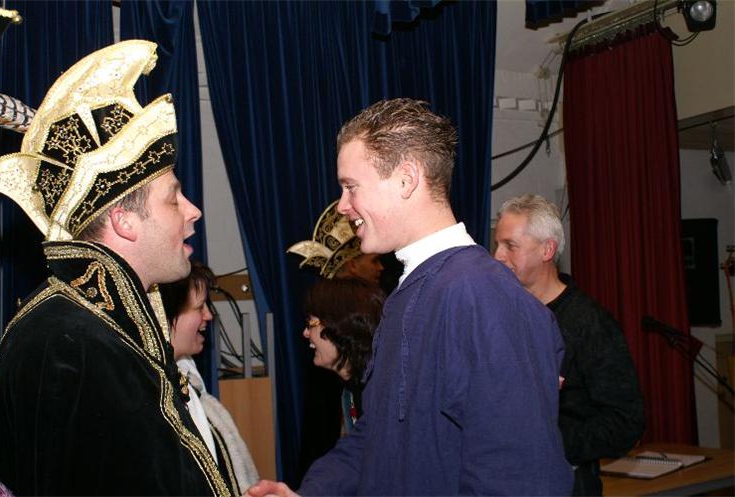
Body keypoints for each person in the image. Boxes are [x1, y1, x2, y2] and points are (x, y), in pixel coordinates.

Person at [249, 98, 573, 497]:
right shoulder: (413, 292)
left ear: (406, 179)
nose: (343, 206)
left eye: (351, 187)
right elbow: (383, 437)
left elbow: (522, 479)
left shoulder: (482, 296)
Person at [0, 41, 232, 495]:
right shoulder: (67, 341)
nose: (193, 210)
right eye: (173, 197)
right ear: (124, 221)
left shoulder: (103, 328)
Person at [494, 194, 644, 496]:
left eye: (510, 245)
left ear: (547, 250)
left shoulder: (588, 322)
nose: (497, 256)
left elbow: (625, 421)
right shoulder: (497, 314)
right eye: (497, 244)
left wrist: (546, 444)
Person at [160, 260, 260, 495]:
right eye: (199, 307)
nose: (209, 315)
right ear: (165, 315)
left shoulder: (190, 381)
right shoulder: (159, 397)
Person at [302, 277, 385, 433]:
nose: (305, 333)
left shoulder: (381, 395)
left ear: (339, 325)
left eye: (310, 324)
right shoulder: (352, 388)